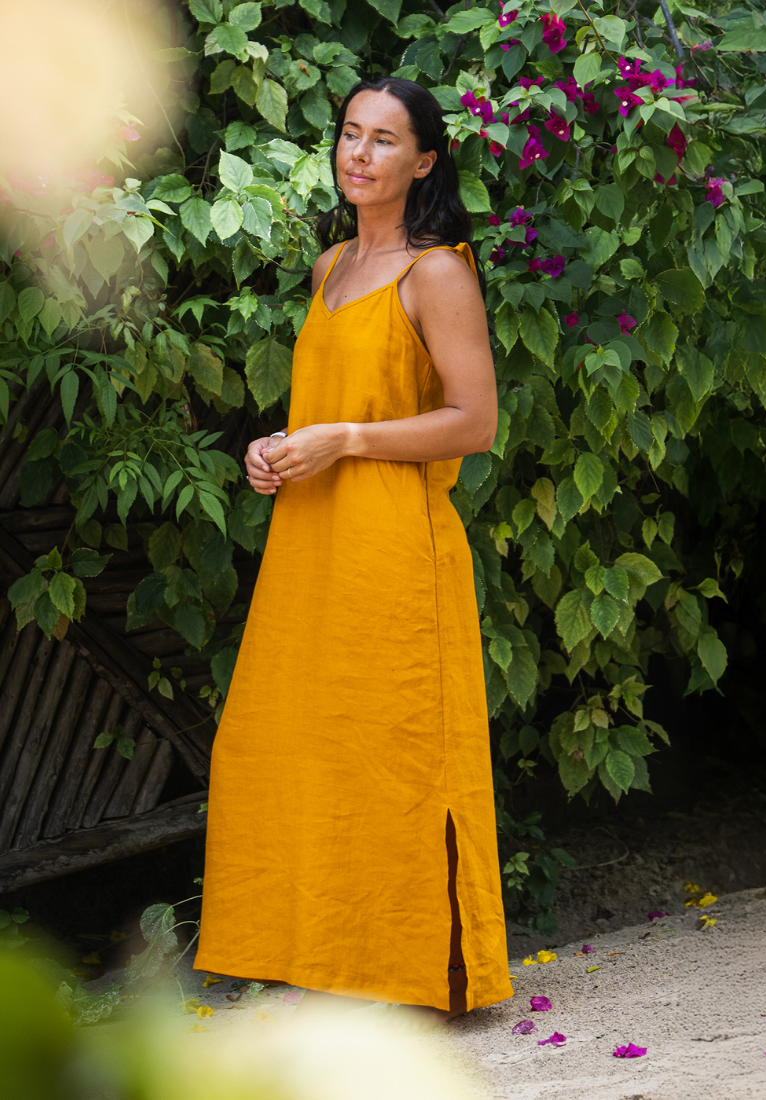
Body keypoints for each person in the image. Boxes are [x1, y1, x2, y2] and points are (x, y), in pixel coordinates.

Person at [194, 76, 513, 1020]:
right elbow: (325, 410)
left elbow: (475, 422)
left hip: (394, 547)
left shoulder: (438, 271)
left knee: (396, 754)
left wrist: (348, 440)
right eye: (349, 134)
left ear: (424, 161)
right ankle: (323, 957)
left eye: (384, 140)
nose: (358, 154)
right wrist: (276, 448)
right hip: (313, 534)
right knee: (294, 741)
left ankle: (421, 969)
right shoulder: (333, 264)